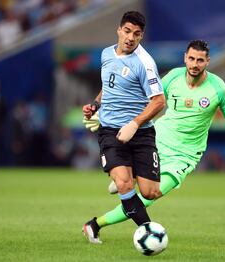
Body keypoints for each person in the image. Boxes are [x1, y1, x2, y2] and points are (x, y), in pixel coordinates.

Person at [82, 40, 225, 244]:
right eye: (191, 59)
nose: (194, 64)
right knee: (137, 189)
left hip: (185, 155)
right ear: (185, 57)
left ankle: (96, 223)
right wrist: (108, 113)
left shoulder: (219, 88)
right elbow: (146, 99)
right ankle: (128, 182)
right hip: (157, 139)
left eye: (200, 60)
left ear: (207, 62)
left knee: (151, 195)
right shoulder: (174, 76)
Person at [81, 11, 165, 244]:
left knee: (150, 192)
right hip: (110, 131)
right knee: (124, 184)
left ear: (141, 36)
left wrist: (134, 123)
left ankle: (128, 176)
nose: (130, 38)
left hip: (142, 132)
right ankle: (149, 232)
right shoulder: (106, 54)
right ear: (119, 30)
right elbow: (109, 86)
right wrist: (96, 104)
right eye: (127, 31)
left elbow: (159, 101)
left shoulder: (145, 63)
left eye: (136, 34)